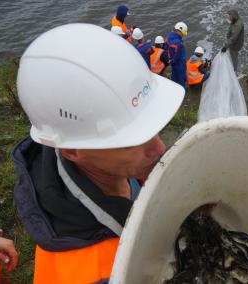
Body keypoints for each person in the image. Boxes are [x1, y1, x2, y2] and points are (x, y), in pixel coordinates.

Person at [12, 23, 185, 284]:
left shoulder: (90, 159)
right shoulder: (103, 273)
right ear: (72, 150)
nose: (159, 148)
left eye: (150, 127)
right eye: (129, 142)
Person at [166, 22, 188, 88]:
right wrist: (181, 44)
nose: (182, 35)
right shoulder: (179, 44)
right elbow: (177, 57)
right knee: (181, 80)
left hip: (172, 64)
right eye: (182, 33)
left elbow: (168, 47)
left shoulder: (169, 36)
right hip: (180, 65)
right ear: (179, 31)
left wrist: (171, 62)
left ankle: (174, 89)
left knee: (174, 79)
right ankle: (182, 91)